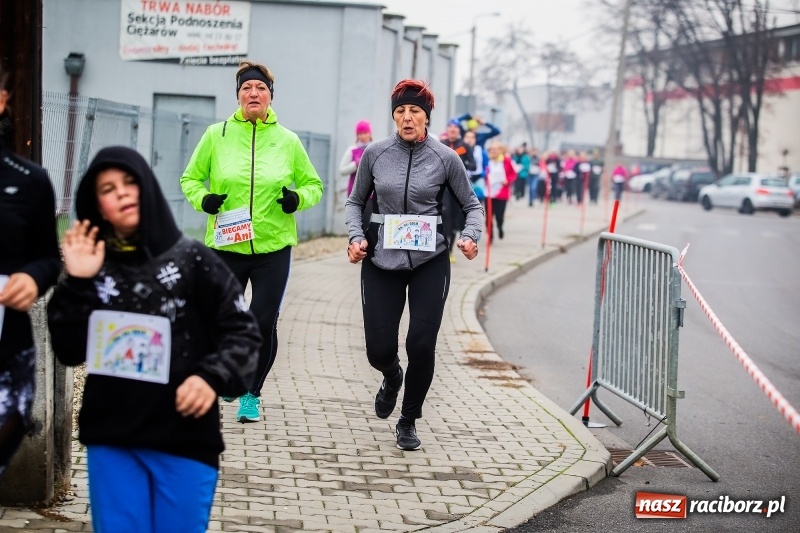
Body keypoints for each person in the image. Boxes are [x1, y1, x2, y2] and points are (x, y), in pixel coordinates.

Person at [47, 146, 261, 532]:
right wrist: (77, 282)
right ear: (96, 205)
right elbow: (68, 348)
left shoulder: (194, 260)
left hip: (185, 439)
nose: (122, 192)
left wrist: (211, 377)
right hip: (112, 439)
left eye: (129, 182)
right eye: (108, 189)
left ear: (146, 186)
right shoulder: (92, 268)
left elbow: (242, 332)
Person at [180, 60, 323, 423]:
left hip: (272, 247)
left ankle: (250, 393)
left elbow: (314, 185)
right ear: (238, 95)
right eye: (247, 88)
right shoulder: (216, 135)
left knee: (262, 322)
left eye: (260, 88)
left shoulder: (288, 141)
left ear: (270, 96)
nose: (254, 93)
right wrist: (204, 200)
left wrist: (297, 199)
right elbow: (190, 179)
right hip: (226, 245)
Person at [345, 80, 483, 451]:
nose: (407, 118)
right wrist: (356, 238)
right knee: (378, 350)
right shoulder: (375, 154)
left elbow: (472, 205)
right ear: (394, 116)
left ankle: (408, 420)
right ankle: (392, 376)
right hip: (381, 259)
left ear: (426, 117)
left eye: (415, 111)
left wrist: (471, 236)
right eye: (401, 111)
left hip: (429, 261)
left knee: (421, 344)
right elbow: (355, 202)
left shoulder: (445, 157)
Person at [0, 65, 61, 477]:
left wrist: (33, 277)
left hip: (7, 349)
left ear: (3, 99)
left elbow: (48, 258)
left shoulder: (30, 181)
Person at [440, 120, 476, 262]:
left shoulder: (464, 146)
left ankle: (450, 251)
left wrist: (461, 165)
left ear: (459, 131)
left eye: (455, 128)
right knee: (444, 216)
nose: (453, 130)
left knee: (455, 219)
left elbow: (473, 165)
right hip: (443, 188)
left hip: (458, 189)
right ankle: (443, 249)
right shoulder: (441, 144)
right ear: (447, 130)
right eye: (450, 127)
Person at [339, 120, 374, 230]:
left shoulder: (374, 149)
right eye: (360, 134)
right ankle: (355, 240)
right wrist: (355, 164)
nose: (362, 136)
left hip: (370, 194)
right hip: (354, 193)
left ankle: (364, 241)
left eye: (365, 133)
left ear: (370, 134)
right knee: (355, 222)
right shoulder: (352, 150)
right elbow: (342, 170)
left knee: (365, 222)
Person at [485, 141, 517, 241]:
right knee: (488, 216)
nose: (493, 151)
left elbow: (513, 174)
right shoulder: (487, 160)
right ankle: (490, 236)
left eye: (496, 149)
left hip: (501, 192)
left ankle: (500, 226)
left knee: (499, 216)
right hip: (489, 192)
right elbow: (483, 172)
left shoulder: (506, 161)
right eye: (491, 149)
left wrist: (507, 180)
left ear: (501, 150)